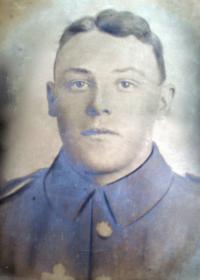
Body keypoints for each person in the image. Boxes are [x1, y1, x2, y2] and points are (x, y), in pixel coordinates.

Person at [0, 9, 200, 280]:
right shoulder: (8, 214)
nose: (99, 105)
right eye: (79, 83)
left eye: (126, 84)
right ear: (52, 99)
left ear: (162, 101)